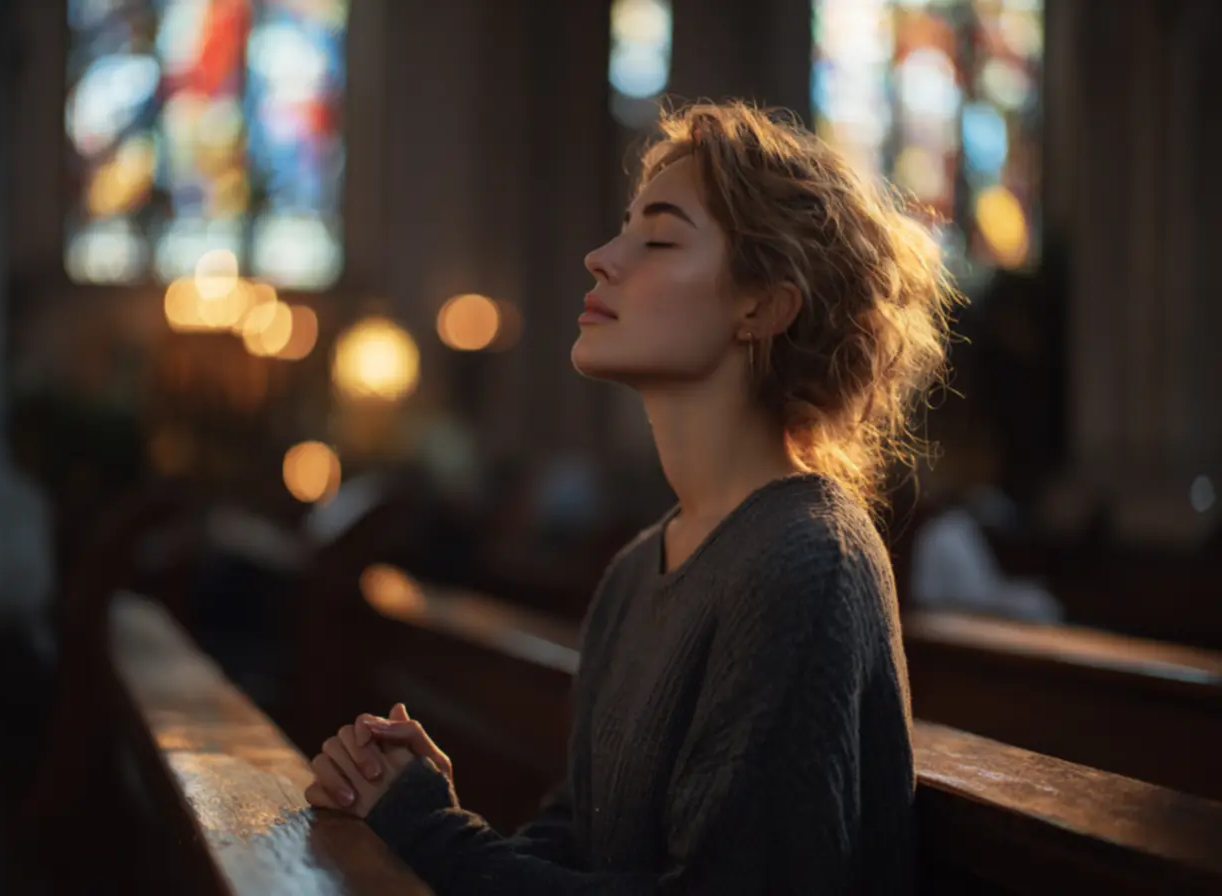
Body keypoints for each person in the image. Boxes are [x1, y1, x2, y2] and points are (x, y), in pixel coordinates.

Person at [305, 100, 961, 894]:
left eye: (657, 238)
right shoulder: (632, 573)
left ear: (762, 304)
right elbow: (584, 845)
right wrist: (423, 802)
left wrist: (428, 832)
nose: (600, 257)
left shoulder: (806, 562)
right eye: (624, 229)